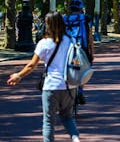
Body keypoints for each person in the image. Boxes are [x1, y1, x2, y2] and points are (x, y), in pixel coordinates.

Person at [7, 11, 81, 142]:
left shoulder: (44, 43)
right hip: (69, 86)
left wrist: (19, 75)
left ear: (48, 25)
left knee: (48, 121)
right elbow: (77, 63)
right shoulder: (71, 40)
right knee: (68, 117)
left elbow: (32, 65)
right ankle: (75, 139)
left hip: (51, 86)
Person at [64, 0, 94, 105]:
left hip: (67, 50)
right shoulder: (85, 19)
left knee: (67, 68)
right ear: (81, 8)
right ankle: (80, 90)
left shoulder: (65, 19)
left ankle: (67, 91)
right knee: (82, 70)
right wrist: (91, 51)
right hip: (81, 49)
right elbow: (90, 36)